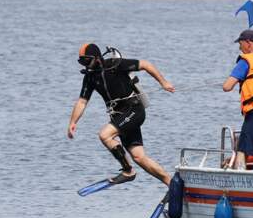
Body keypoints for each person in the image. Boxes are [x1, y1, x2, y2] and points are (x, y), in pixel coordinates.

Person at [67, 43, 175, 185]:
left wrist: (164, 82)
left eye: (86, 61)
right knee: (139, 157)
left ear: (97, 58)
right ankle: (172, 184)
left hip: (133, 110)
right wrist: (73, 122)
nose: (84, 65)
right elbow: (82, 102)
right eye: (81, 62)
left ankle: (128, 171)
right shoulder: (90, 77)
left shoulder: (115, 64)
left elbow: (145, 64)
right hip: (120, 117)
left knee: (105, 135)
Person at [222, 30, 253, 170]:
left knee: (242, 147)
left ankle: (239, 173)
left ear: (248, 43)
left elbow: (227, 86)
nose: (240, 48)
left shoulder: (246, 62)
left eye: (240, 44)